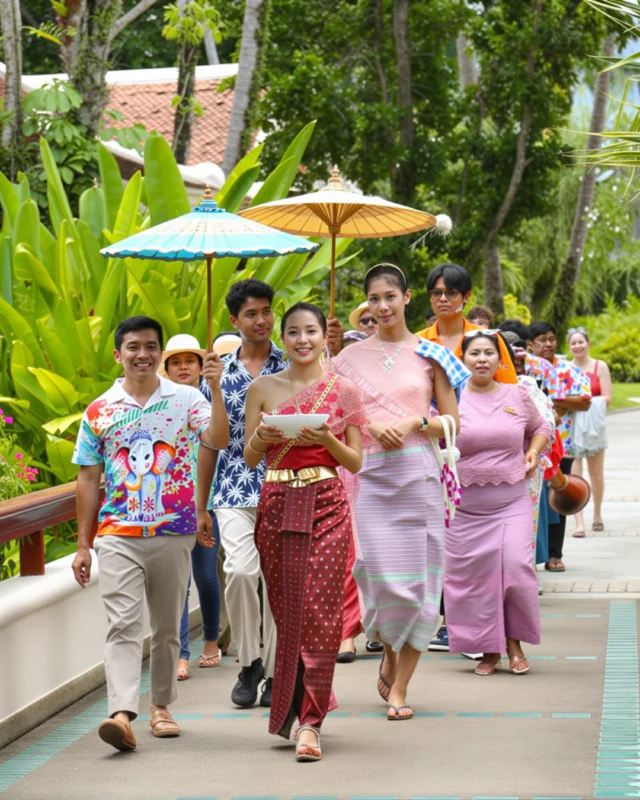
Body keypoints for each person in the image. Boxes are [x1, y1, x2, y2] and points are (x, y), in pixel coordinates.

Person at [71, 316, 228, 751]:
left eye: (151, 346)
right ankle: (121, 714)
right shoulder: (100, 410)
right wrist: (84, 544)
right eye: (134, 347)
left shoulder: (187, 397)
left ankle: (161, 706)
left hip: (174, 530)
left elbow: (217, 438)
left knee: (165, 628)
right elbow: (87, 478)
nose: (143, 354)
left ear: (159, 353)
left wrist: (215, 389)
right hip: (117, 533)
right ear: (119, 354)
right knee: (122, 624)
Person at [334, 263, 463, 721]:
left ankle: (400, 687)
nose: (382, 306)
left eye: (390, 296)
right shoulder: (344, 360)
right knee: (377, 575)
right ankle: (389, 651)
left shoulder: (432, 355)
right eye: (374, 299)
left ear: (408, 298)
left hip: (418, 475)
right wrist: (368, 426)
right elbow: (333, 416)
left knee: (421, 582)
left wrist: (414, 423)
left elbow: (454, 423)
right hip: (368, 476)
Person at [242, 302, 369, 761]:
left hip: (327, 503)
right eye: (292, 331)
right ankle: (301, 702)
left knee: (320, 611)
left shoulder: (345, 391)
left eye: (310, 331)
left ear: (324, 336)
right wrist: (264, 438)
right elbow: (249, 457)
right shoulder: (262, 388)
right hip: (277, 504)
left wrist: (326, 440)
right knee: (288, 611)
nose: (302, 339)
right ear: (283, 336)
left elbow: (355, 460)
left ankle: (311, 723)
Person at [416, 263, 517, 654]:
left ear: (466, 298)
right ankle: (444, 623)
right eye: (436, 293)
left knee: (477, 549)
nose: (443, 299)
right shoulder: (419, 342)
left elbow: (507, 398)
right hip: (428, 451)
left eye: (451, 293)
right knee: (437, 544)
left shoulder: (486, 341)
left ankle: (477, 629)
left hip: (478, 460)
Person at [444, 331, 551, 676]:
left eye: (489, 352)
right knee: (476, 579)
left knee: (517, 567)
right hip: (464, 508)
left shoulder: (517, 394)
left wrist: (532, 451)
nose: (481, 359)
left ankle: (514, 642)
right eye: (473, 353)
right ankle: (488, 650)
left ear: (499, 358)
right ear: (462, 361)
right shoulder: (449, 401)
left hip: (511, 500)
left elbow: (541, 427)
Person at [198, 279, 282, 708]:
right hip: (232, 487)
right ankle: (249, 661)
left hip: (284, 483)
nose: (261, 320)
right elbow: (211, 441)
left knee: (275, 583)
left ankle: (272, 671)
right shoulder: (218, 371)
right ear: (235, 320)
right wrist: (201, 505)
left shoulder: (291, 365)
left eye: (266, 311)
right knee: (243, 573)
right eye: (251, 313)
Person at [160, 334, 222, 682]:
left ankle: (210, 641)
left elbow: (220, 445)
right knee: (179, 583)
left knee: (206, 575)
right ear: (166, 369)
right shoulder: (161, 405)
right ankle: (182, 653)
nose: (183, 368)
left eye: (190, 361)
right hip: (173, 505)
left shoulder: (212, 401)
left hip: (208, 502)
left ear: (201, 367)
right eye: (176, 362)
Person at [528, 322, 591, 572]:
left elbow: (584, 402)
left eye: (551, 339)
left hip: (562, 444)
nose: (548, 344)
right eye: (541, 340)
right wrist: (561, 405)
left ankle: (555, 554)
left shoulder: (567, 369)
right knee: (536, 503)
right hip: (531, 446)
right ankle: (534, 554)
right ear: (530, 344)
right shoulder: (526, 368)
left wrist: (548, 400)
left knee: (559, 496)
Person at [567, 326, 612, 536]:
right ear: (569, 347)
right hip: (572, 429)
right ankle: (579, 523)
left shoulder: (600, 367)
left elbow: (608, 398)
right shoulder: (566, 369)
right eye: (573, 343)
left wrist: (586, 402)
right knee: (575, 477)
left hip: (594, 430)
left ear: (588, 344)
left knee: (596, 475)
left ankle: (597, 515)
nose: (577, 346)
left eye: (580, 342)